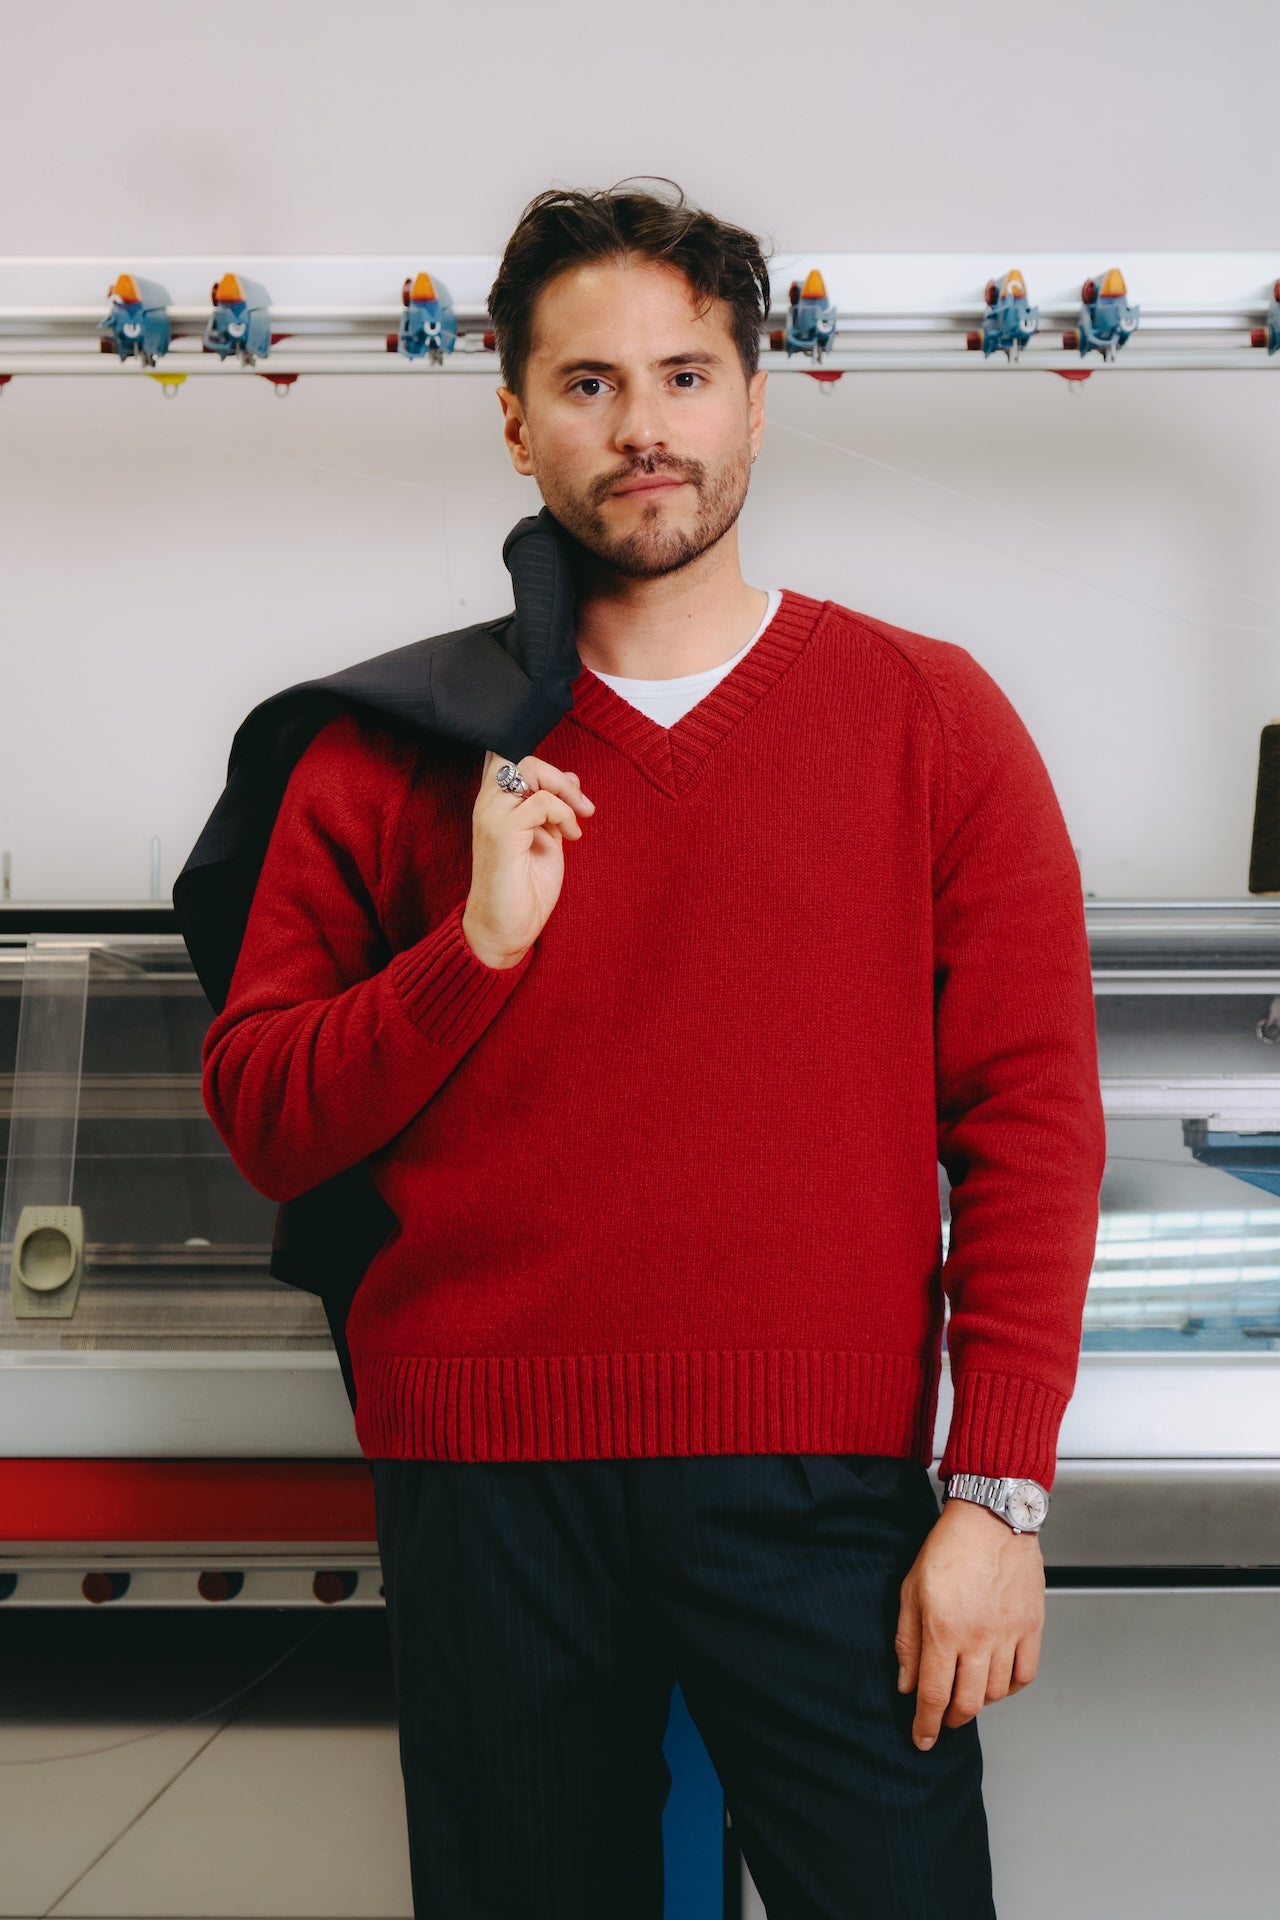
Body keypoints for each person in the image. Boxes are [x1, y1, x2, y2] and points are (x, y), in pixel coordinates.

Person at [200, 180, 1107, 1919]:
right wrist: (473, 952)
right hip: (484, 1487)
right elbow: (266, 1119)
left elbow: (1033, 1121)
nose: (645, 428)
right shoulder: (385, 755)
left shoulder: (933, 720)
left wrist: (998, 1497)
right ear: (516, 421)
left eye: (686, 376)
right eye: (590, 383)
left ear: (758, 401)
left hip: (822, 1487)